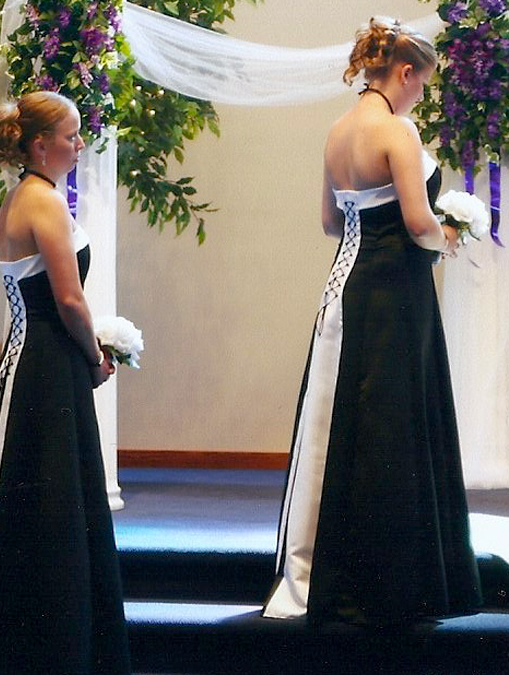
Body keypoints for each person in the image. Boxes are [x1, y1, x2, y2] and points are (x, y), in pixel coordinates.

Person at [263, 17, 482, 627]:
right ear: (405, 72)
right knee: (391, 424)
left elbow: (331, 224)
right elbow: (417, 222)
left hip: (346, 286)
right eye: (422, 84)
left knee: (346, 420)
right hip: (394, 293)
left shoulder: (338, 130)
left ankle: (336, 571)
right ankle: (391, 582)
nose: (420, 95)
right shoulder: (396, 130)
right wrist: (450, 237)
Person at [0, 91, 131, 674]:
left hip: (33, 360)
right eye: (71, 135)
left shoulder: (22, 195)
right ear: (40, 146)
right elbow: (69, 300)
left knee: (41, 497)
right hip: (47, 364)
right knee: (50, 501)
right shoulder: (42, 200)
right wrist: (95, 356)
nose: (80, 144)